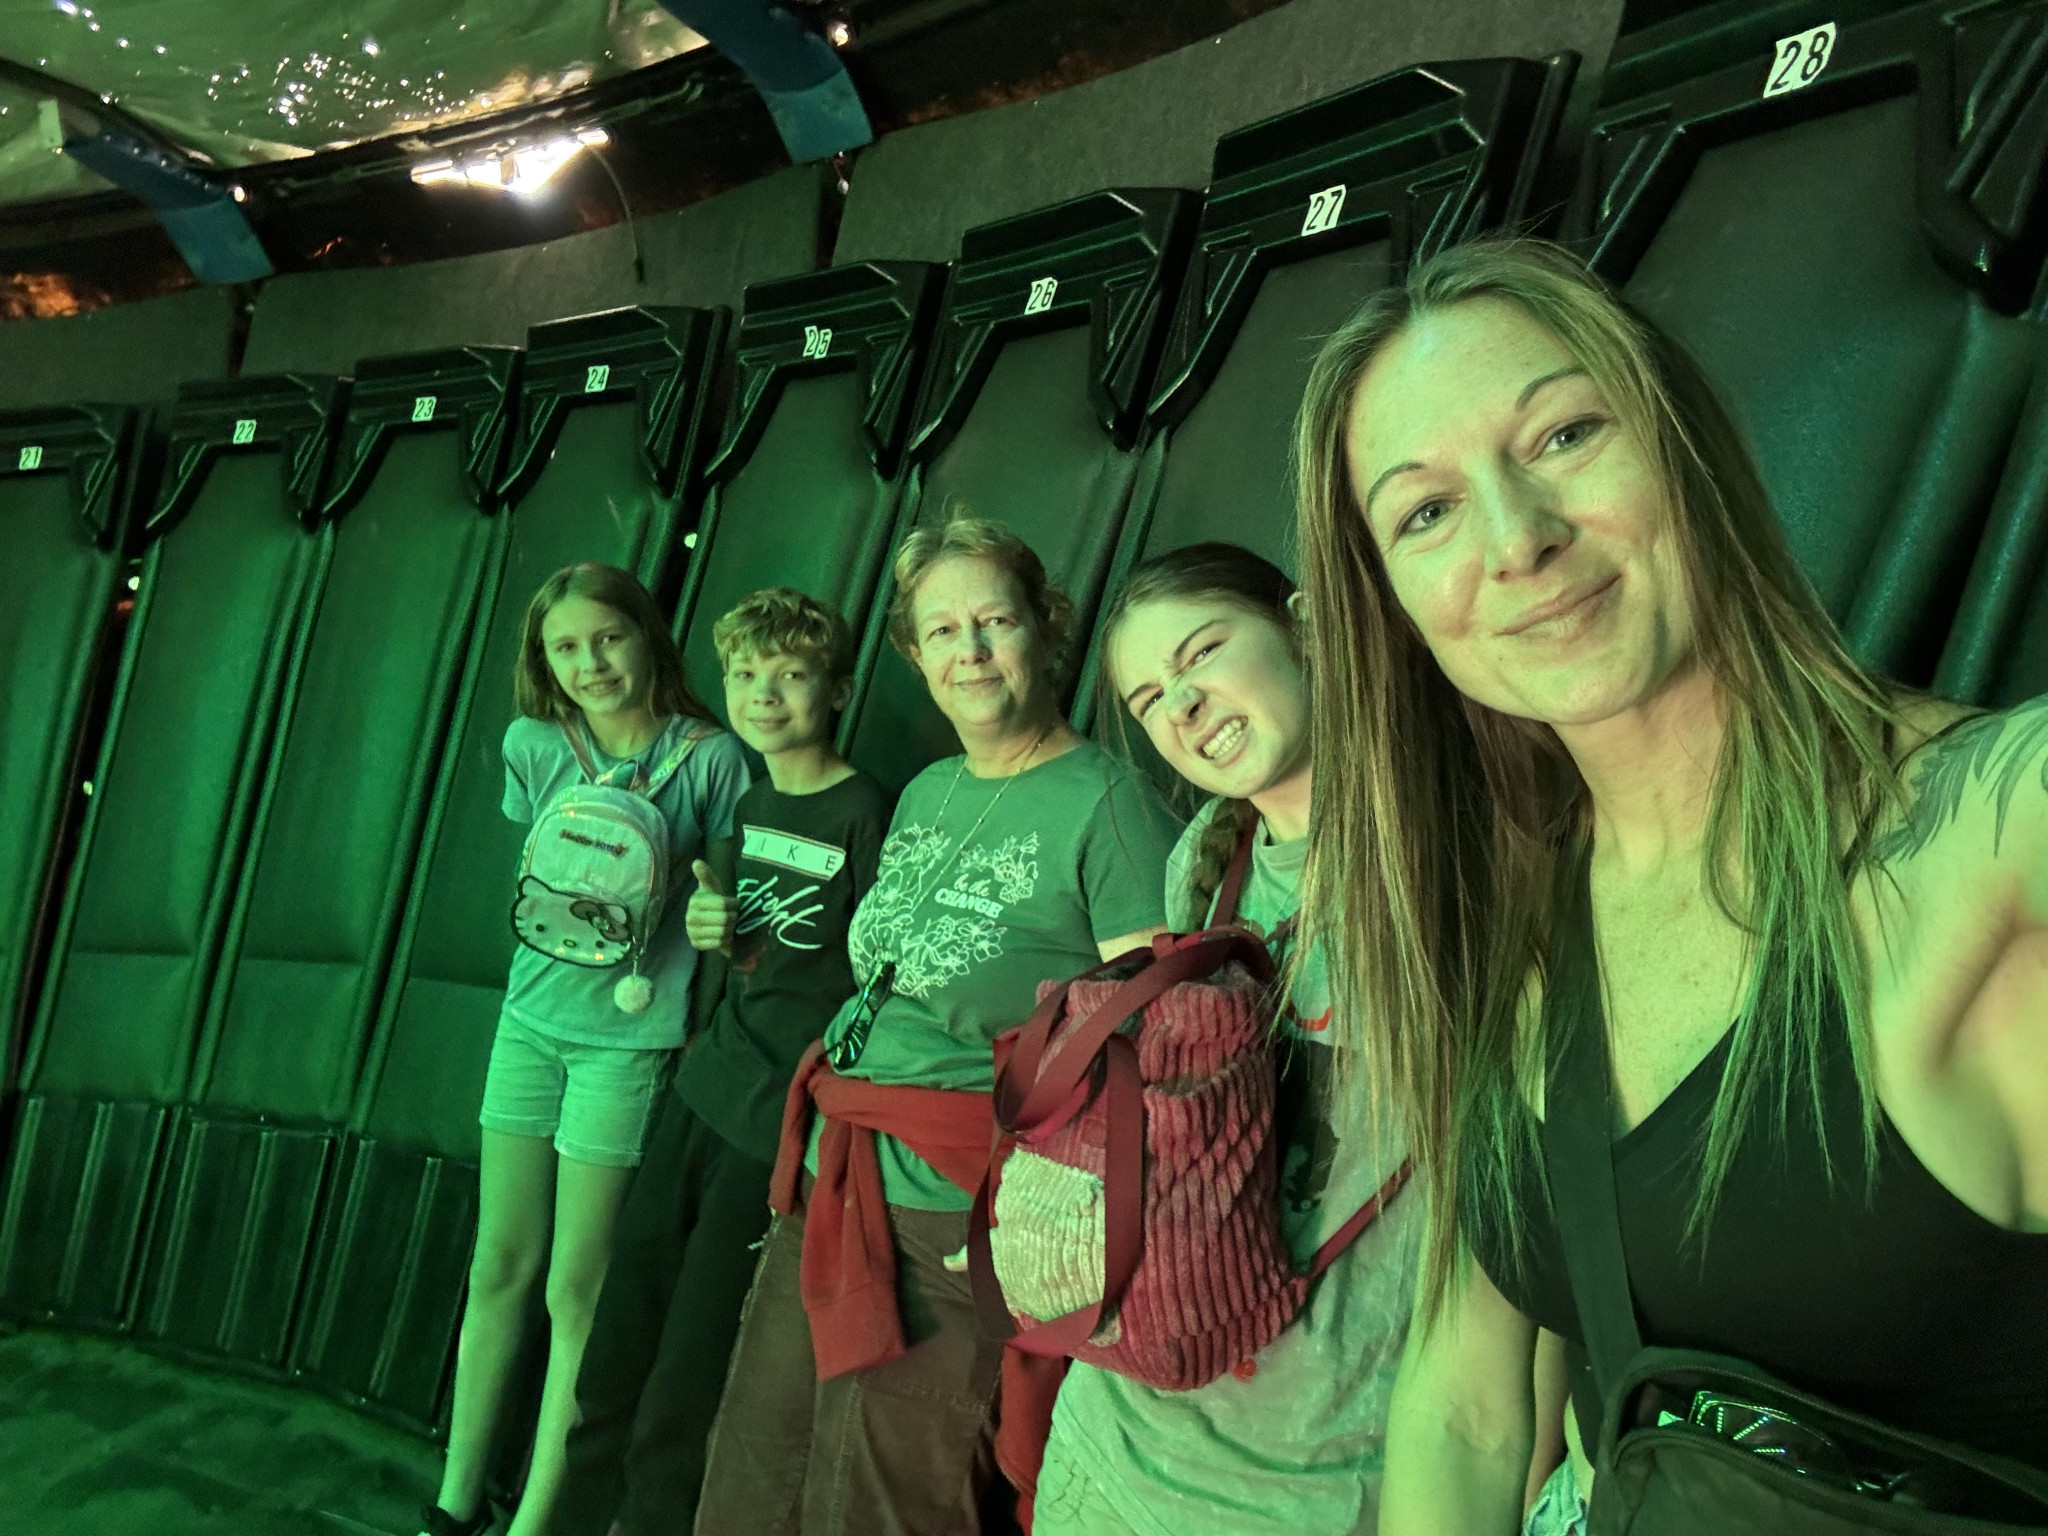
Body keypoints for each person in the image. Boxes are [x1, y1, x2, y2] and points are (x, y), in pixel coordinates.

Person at [1288, 237, 2048, 1535]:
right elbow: (1467, 1401)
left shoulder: (1979, 830)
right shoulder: (1501, 919)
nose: (1517, 538)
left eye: (1566, 435)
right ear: (1393, 608)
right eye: (1425, 512)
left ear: (1682, 444)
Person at [695, 513, 1180, 1536]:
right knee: (754, 1481)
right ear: (915, 657)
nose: (972, 650)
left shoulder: (1109, 803)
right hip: (836, 1180)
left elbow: (1155, 1041)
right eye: (944, 631)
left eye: (995, 620)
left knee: (882, 1511)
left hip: (961, 1213)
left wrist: (1048, 1209)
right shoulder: (925, 790)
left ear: (1045, 627)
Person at [1027, 542, 1420, 1536]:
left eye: (1201, 653)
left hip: (1308, 1474)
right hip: (1116, 1432)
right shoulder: (1204, 862)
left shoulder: (1453, 859)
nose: (1183, 706)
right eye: (1150, 698)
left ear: (1305, 627)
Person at [549, 588, 892, 1536]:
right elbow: (749, 951)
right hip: (704, 1092)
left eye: (791, 674)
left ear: (837, 690)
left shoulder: (866, 809)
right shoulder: (751, 799)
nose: (764, 694)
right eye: (745, 674)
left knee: (690, 1365)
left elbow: (874, 978)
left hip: (776, 1121)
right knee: (621, 1329)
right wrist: (717, 927)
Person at [422, 562, 751, 1536]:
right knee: (498, 1263)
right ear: (544, 660)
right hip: (527, 1024)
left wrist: (714, 932)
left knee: (577, 1286)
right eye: (565, 647)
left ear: (647, 634)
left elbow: (725, 907)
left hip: (628, 1041)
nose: (590, 662)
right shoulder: (532, 744)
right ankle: (453, 1502)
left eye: (608, 637)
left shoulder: (713, 759)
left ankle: (538, 1518)